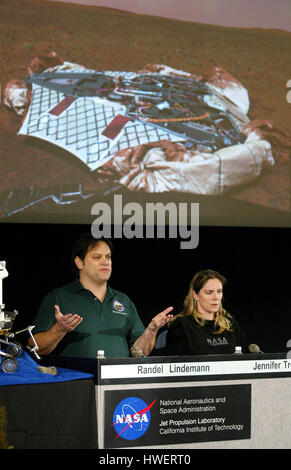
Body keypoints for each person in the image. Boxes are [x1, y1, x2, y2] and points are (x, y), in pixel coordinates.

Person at [28, 234, 173, 358]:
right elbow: (35, 347)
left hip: (117, 386)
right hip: (75, 385)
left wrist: (151, 330)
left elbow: (140, 352)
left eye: (108, 257)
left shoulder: (123, 300)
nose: (106, 262)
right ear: (79, 262)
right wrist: (58, 330)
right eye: (97, 257)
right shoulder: (59, 297)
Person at [160, 269, 250, 356]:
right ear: (195, 295)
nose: (216, 297)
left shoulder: (231, 325)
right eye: (209, 292)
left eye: (219, 292)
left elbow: (249, 360)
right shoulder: (181, 326)